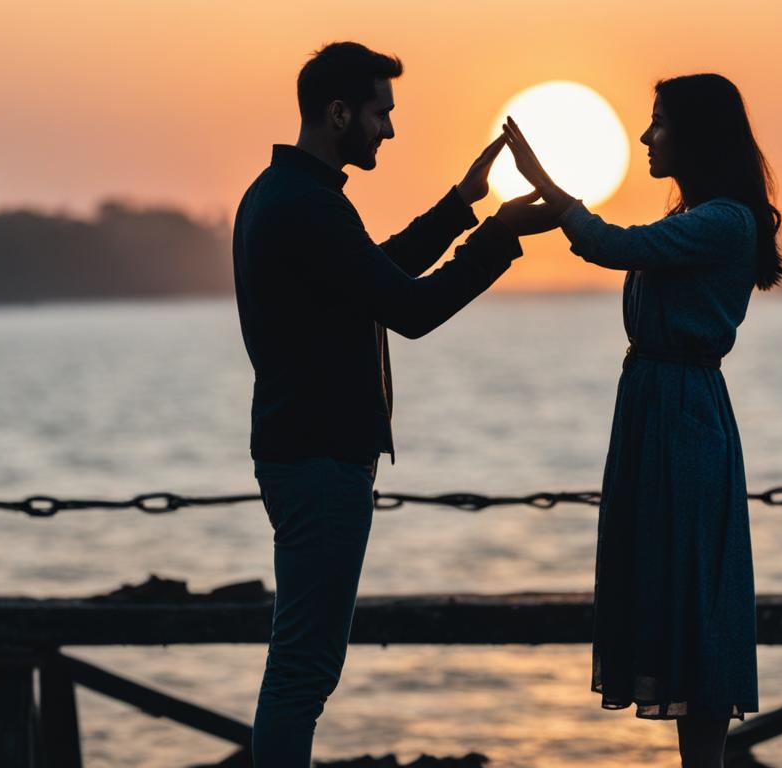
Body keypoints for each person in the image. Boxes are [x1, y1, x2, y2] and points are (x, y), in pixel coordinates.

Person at [232, 42, 558, 768]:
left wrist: (463, 206)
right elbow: (409, 308)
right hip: (320, 463)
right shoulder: (308, 207)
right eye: (381, 113)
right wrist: (499, 236)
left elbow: (376, 273)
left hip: (303, 455)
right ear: (339, 111)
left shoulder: (282, 194)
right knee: (303, 671)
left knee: (300, 665)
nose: (389, 130)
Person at [501, 73, 782, 768]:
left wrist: (546, 182)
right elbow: (625, 245)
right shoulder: (697, 218)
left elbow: (615, 247)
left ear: (694, 134)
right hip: (657, 407)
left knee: (694, 590)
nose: (645, 136)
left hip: (682, 416)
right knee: (668, 586)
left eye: (657, 123)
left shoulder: (724, 221)